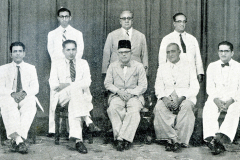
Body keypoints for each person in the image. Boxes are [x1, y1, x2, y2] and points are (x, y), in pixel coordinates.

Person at [49, 40, 100, 154]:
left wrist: (67, 85)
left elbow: (87, 82)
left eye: (73, 49)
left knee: (74, 100)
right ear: (63, 51)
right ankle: (87, 119)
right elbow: (53, 85)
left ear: (76, 50)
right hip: (62, 97)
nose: (71, 52)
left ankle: (78, 140)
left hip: (78, 98)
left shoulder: (83, 63)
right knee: (75, 90)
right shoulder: (56, 63)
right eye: (68, 50)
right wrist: (74, 85)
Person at [154, 43, 199, 152]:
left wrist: (181, 98)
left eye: (173, 51)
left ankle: (178, 140)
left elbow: (195, 86)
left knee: (187, 107)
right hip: (167, 97)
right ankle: (173, 139)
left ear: (179, 52)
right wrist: (164, 98)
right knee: (159, 107)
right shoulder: (162, 68)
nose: (170, 54)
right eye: (168, 52)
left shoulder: (189, 66)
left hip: (185, 97)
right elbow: (158, 86)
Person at [104, 40, 147, 151]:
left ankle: (122, 138)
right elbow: (107, 83)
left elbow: (143, 85)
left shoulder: (139, 66)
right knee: (113, 108)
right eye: (121, 52)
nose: (124, 54)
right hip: (117, 95)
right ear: (117, 53)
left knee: (134, 111)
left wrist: (131, 93)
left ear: (131, 53)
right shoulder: (112, 66)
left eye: (126, 52)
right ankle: (121, 138)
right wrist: (119, 91)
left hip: (134, 96)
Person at [47, 7, 84, 137]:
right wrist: (61, 65)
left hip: (73, 68)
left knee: (74, 94)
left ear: (70, 17)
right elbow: (51, 52)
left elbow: (79, 52)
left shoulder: (77, 33)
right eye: (61, 16)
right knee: (55, 94)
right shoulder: (52, 34)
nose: (64, 19)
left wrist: (71, 65)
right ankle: (53, 129)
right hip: (58, 68)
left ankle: (70, 129)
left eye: (66, 16)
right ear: (58, 18)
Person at [0, 42, 39, 154]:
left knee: (31, 103)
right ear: (11, 54)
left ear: (24, 53)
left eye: (20, 51)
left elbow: (35, 88)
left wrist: (25, 93)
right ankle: (19, 140)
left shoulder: (31, 68)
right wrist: (12, 93)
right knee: (8, 104)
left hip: (25, 96)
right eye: (15, 51)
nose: (17, 54)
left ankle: (16, 139)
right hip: (9, 97)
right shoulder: (3, 69)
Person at [203, 41, 240, 155]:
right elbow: (209, 87)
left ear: (232, 53)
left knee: (236, 108)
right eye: (221, 51)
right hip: (216, 98)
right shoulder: (212, 66)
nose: (223, 54)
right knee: (209, 106)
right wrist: (216, 100)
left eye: (226, 51)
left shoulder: (239, 67)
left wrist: (231, 100)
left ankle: (220, 138)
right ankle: (211, 138)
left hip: (233, 99)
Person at [158, 13, 204, 83]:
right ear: (174, 23)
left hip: (191, 74)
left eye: (184, 21)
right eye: (179, 21)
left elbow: (198, 57)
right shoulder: (167, 39)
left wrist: (200, 72)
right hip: (174, 75)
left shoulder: (192, 39)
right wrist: (163, 75)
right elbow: (162, 59)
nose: (182, 24)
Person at [102, 11, 148, 75]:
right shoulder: (112, 35)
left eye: (129, 18)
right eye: (124, 19)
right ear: (120, 21)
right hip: (116, 73)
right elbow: (106, 55)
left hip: (135, 73)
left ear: (132, 20)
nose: (126, 21)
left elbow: (144, 56)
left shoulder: (141, 36)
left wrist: (145, 73)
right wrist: (105, 72)